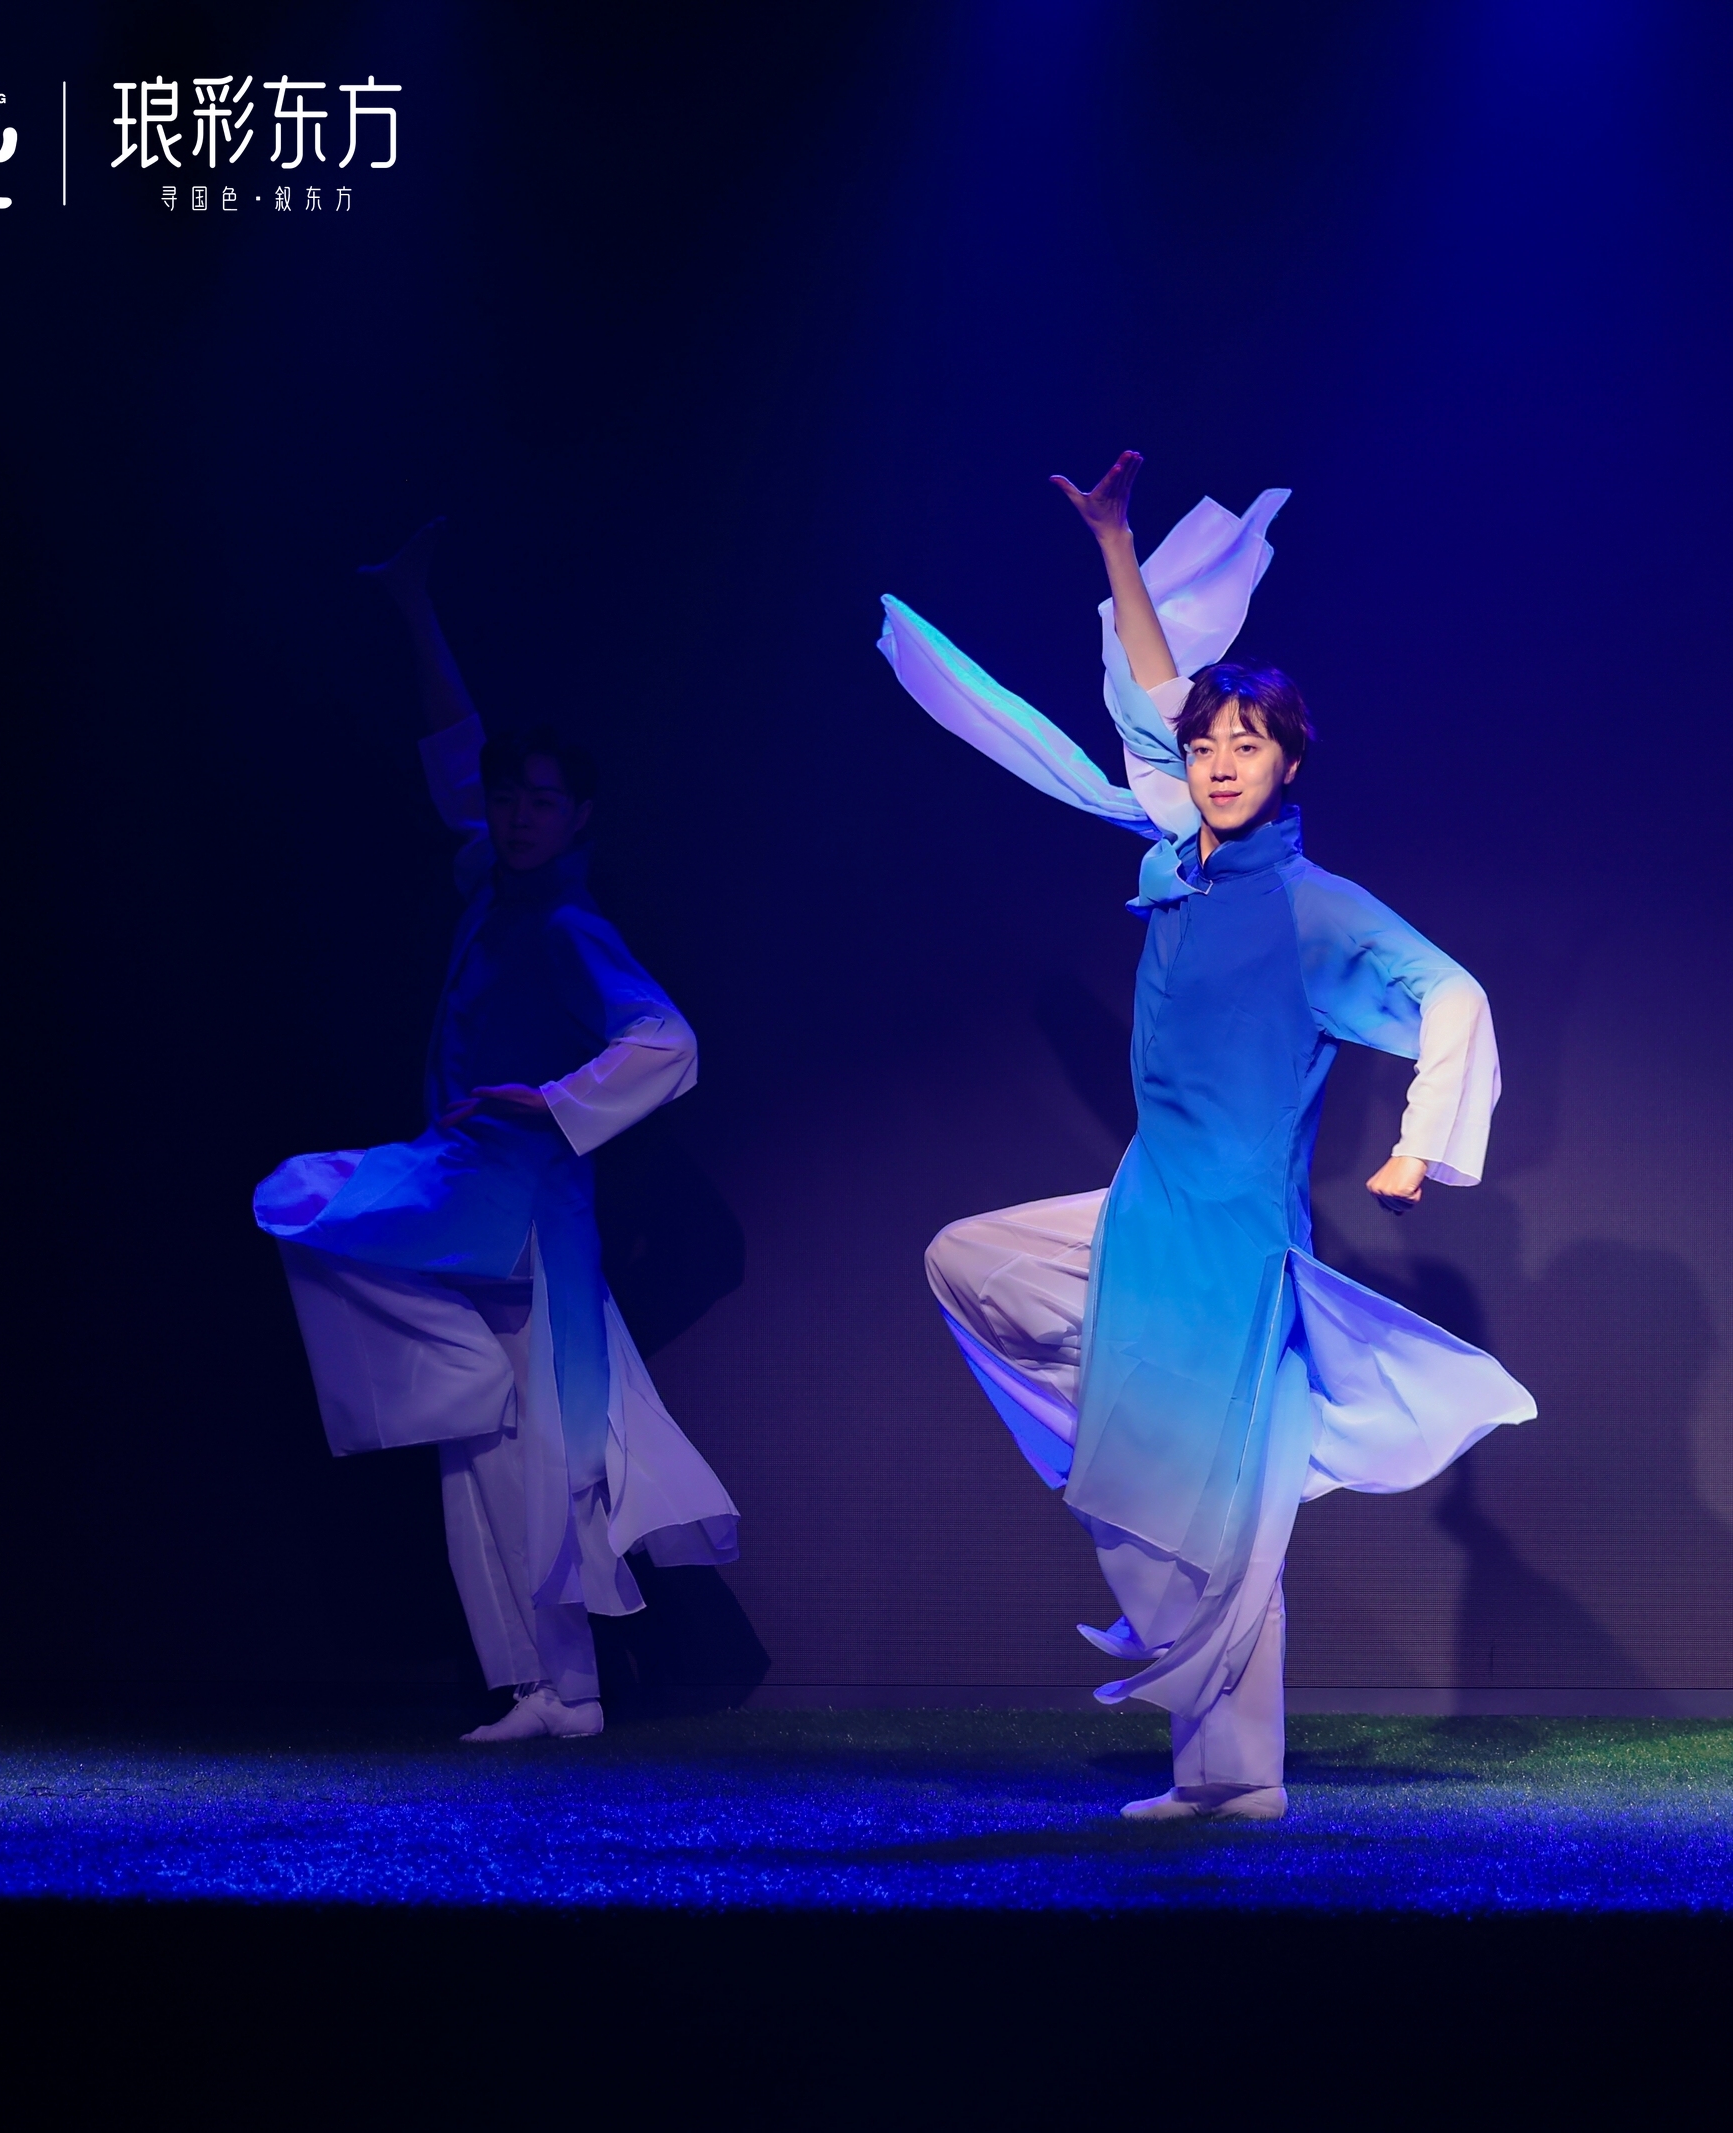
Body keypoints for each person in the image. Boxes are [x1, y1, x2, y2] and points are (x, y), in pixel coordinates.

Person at [880, 452, 1532, 1822]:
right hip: (1145, 1208)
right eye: (1206, 748)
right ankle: (1216, 1756)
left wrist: (1417, 1148)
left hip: (1228, 1237)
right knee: (966, 1265)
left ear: (1290, 764)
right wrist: (1114, 543)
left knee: (1211, 1513)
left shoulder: (1309, 906)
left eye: (1248, 746)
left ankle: (1236, 1777)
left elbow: (1450, 994)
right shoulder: (1177, 860)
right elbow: (1151, 688)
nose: (1219, 763)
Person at [253, 521, 739, 1743]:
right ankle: (540, 1686)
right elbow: (455, 756)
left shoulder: (568, 926)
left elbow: (667, 1040)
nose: (516, 818)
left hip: (523, 1214)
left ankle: (568, 1688)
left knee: (539, 1449)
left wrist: (557, 1102)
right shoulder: (489, 879)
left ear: (580, 818)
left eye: (540, 805)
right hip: (464, 1201)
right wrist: (414, 609)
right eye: (510, 803)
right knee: (475, 1446)